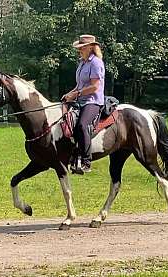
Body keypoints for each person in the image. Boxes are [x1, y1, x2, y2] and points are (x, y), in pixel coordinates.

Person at [61, 34, 105, 174]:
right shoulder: (82, 63)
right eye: (79, 48)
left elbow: (94, 87)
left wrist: (76, 94)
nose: (79, 50)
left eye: (82, 47)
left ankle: (86, 161)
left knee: (82, 124)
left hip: (93, 101)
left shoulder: (96, 63)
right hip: (80, 99)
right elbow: (79, 85)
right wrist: (69, 94)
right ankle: (73, 156)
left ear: (91, 48)